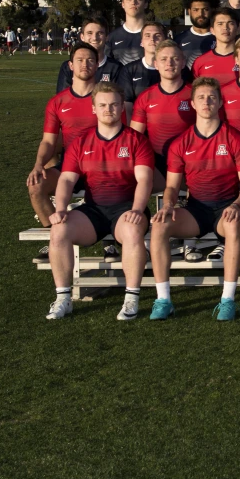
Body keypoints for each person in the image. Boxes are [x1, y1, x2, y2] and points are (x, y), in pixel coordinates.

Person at [44, 81, 154, 322]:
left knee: (133, 230)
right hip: (94, 210)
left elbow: (144, 180)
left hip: (127, 208)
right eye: (102, 105)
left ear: (121, 108)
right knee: (59, 230)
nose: (109, 109)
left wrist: (137, 209)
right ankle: (64, 298)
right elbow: (66, 180)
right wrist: (60, 209)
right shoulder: (81, 142)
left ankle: (131, 297)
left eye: (114, 104)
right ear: (93, 108)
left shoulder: (136, 140)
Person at [149, 78, 240, 321]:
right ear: (193, 104)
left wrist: (238, 205)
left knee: (231, 224)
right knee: (159, 225)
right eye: (201, 97)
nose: (206, 101)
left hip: (228, 206)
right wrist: (167, 205)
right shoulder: (180, 143)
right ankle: (163, 300)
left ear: (220, 102)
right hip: (196, 209)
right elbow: (173, 187)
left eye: (211, 97)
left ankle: (228, 300)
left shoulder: (235, 138)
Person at [28, 43, 109, 233]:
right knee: (36, 187)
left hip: (103, 166)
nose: (85, 64)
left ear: (97, 65)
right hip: (70, 167)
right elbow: (48, 141)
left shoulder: (107, 98)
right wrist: (39, 164)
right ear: (70, 65)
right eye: (79, 60)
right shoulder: (57, 102)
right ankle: (55, 237)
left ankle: (109, 242)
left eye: (90, 60)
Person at [130, 40, 194, 187]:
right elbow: (135, 139)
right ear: (155, 64)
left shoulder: (195, 94)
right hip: (156, 163)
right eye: (163, 59)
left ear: (183, 63)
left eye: (175, 59)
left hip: (190, 161)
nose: (169, 63)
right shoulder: (145, 97)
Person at [56, 18, 126, 92]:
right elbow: (62, 99)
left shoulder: (116, 68)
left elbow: (118, 99)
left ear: (107, 37)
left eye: (100, 33)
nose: (95, 38)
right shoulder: (69, 67)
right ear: (82, 37)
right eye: (89, 33)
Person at [190, 7, 240, 83]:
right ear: (212, 30)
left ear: (238, 29)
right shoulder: (200, 62)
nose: (225, 28)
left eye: (230, 23)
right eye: (220, 24)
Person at [121, 21, 168, 104]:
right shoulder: (129, 70)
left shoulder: (175, 68)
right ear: (141, 42)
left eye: (157, 35)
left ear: (165, 40)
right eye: (147, 35)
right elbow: (127, 105)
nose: (152, 39)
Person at [107, 0, 150, 64]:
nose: (133, 2)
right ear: (123, 4)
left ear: (145, 4)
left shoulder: (156, 36)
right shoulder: (111, 38)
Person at [175, 0, 218, 67]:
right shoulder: (178, 40)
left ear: (212, 10)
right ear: (189, 11)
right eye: (195, 10)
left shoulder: (221, 38)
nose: (200, 14)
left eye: (205, 9)